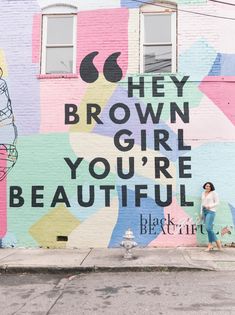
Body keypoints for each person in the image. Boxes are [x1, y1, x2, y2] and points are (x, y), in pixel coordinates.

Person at [201, 182, 222, 251]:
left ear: (211, 187)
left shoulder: (214, 193)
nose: (207, 187)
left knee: (208, 228)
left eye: (209, 186)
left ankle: (213, 243)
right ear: (205, 186)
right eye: (206, 186)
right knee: (208, 229)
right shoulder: (203, 193)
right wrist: (201, 213)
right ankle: (214, 244)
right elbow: (202, 204)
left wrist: (210, 206)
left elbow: (217, 202)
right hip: (204, 211)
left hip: (211, 211)